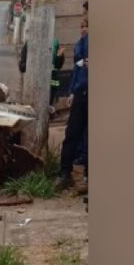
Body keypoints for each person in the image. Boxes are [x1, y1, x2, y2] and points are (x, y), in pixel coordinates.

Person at [56, 18, 88, 190]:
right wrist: (72, 92)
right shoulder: (80, 45)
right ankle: (65, 173)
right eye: (82, 26)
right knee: (72, 134)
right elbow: (77, 70)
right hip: (80, 94)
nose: (84, 29)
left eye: (87, 26)